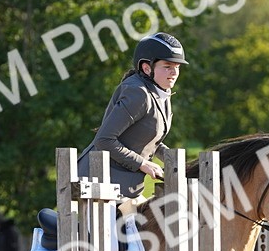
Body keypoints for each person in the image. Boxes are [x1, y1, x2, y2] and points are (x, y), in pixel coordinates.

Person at [77, 32, 188, 199]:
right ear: (146, 67)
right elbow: (104, 139)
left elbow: (149, 139)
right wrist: (142, 164)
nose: (174, 72)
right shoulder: (139, 93)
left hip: (123, 186)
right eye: (167, 66)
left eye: (177, 67)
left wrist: (175, 163)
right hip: (100, 181)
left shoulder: (161, 91)